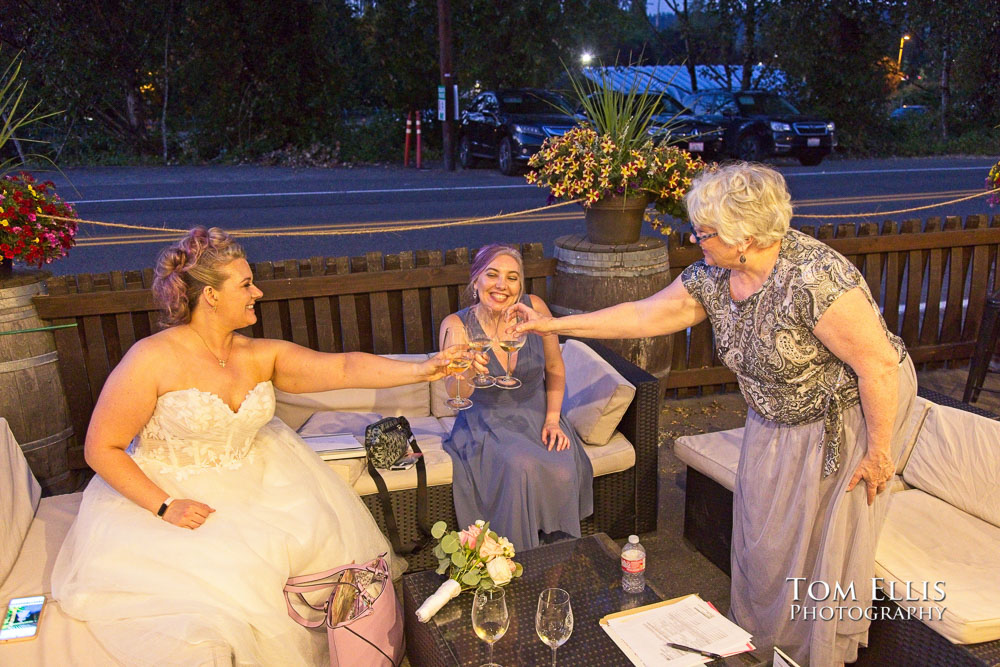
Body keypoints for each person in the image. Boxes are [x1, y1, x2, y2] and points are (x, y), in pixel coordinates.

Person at [511, 163, 916, 666]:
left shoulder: (816, 277)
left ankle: (810, 654)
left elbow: (878, 366)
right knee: (763, 542)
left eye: (706, 231)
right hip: (774, 414)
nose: (696, 237)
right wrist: (554, 323)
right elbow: (644, 314)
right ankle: (760, 643)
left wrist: (881, 454)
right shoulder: (715, 273)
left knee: (815, 545)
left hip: (846, 412)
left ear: (745, 234)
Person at [51, 227, 461, 666]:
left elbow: (343, 367)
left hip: (263, 483)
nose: (258, 292)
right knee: (229, 595)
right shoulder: (151, 359)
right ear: (209, 294)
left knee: (329, 560)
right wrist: (165, 505)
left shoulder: (258, 354)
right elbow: (101, 448)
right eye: (245, 284)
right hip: (170, 495)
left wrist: (426, 369)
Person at [441, 244, 593, 552]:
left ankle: (558, 564)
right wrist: (469, 370)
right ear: (475, 280)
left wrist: (553, 419)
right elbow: (458, 392)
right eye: (492, 275)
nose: (501, 285)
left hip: (538, 415)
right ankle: (514, 561)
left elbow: (554, 366)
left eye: (512, 277)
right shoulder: (456, 326)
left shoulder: (534, 308)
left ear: (520, 284)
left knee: (564, 469)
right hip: (485, 421)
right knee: (519, 464)